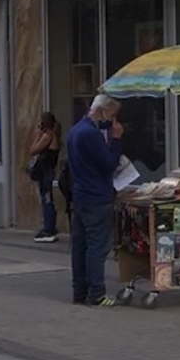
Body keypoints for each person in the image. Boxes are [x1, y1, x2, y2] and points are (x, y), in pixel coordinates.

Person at [66, 95, 124, 307]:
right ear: (101, 111)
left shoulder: (74, 131)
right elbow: (108, 164)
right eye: (111, 115)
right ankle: (97, 293)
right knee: (97, 247)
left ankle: (79, 291)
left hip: (80, 194)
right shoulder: (90, 134)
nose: (112, 120)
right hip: (97, 196)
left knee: (80, 246)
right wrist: (116, 140)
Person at [28, 112, 63, 243]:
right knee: (47, 199)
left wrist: (37, 136)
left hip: (45, 172)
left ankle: (49, 229)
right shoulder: (53, 135)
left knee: (46, 199)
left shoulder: (48, 136)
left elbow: (33, 150)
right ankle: (49, 227)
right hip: (48, 171)